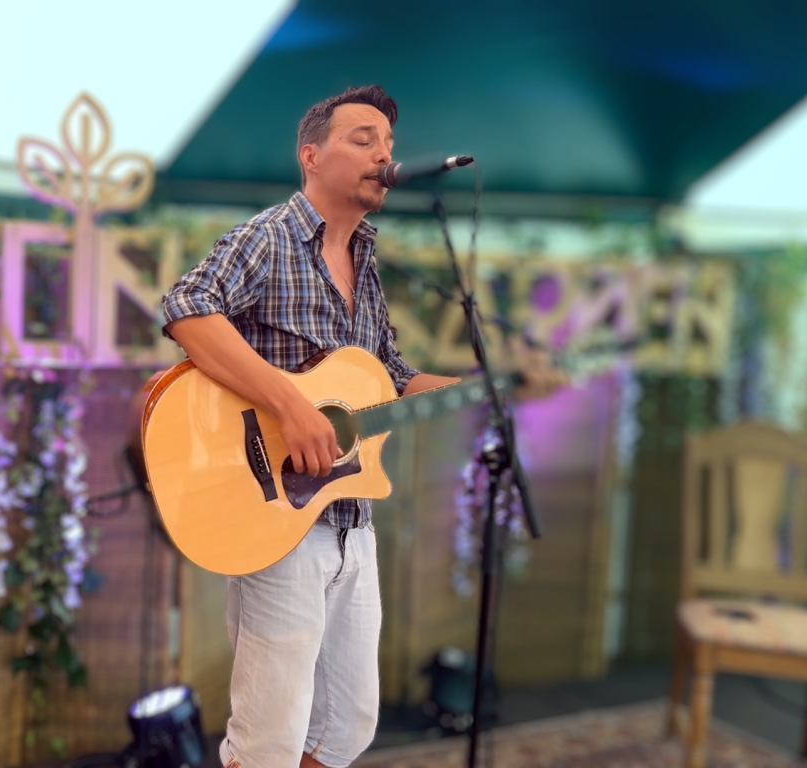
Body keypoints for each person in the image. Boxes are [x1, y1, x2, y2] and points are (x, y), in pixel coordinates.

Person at [158, 85, 564, 768]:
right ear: (311, 156)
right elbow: (187, 307)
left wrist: (499, 390)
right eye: (363, 138)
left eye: (389, 144)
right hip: (277, 523)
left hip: (352, 522)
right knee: (268, 741)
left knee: (345, 729)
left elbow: (392, 379)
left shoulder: (367, 262)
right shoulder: (270, 237)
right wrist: (291, 407)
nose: (384, 154)